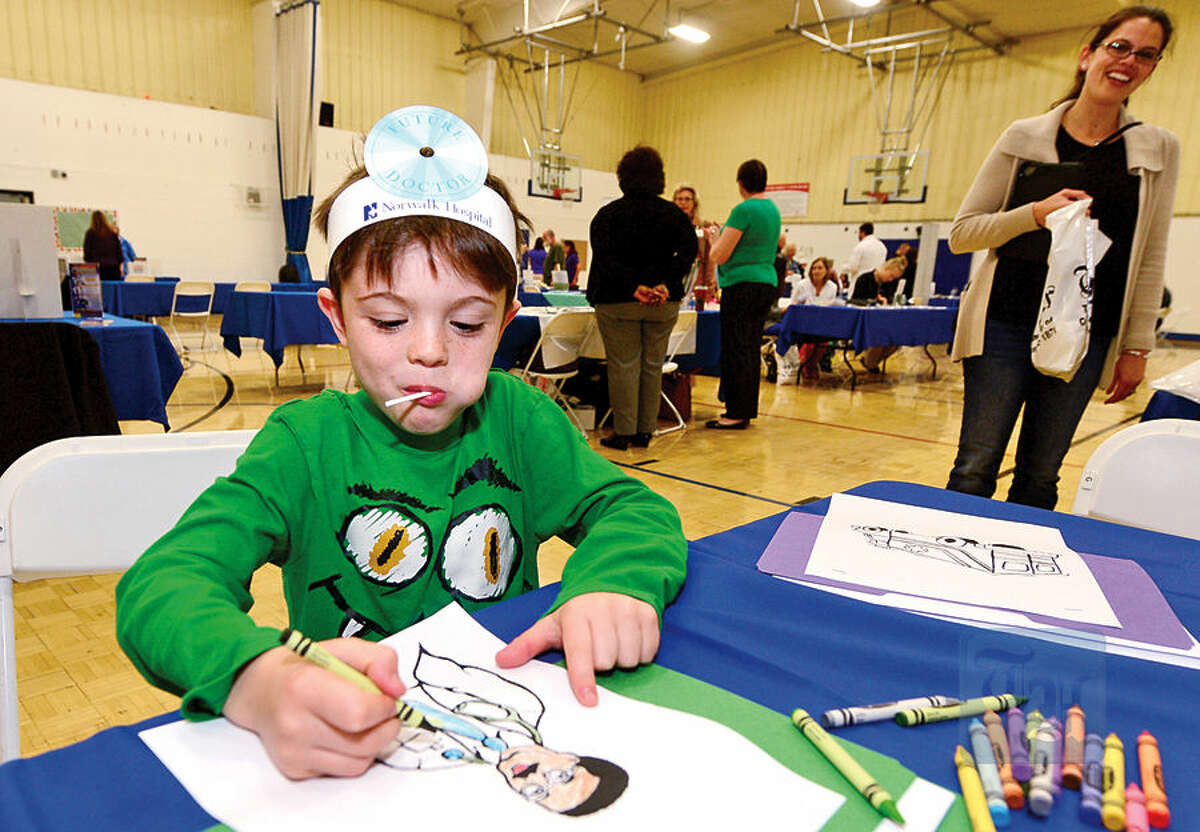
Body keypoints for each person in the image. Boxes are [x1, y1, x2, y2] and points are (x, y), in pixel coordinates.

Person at [115, 140, 688, 781]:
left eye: (468, 325)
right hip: (355, 769)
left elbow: (632, 508)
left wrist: (614, 583)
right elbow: (164, 583)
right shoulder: (305, 444)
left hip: (502, 735)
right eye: (388, 320)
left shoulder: (522, 420)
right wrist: (255, 674)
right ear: (335, 316)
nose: (428, 351)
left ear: (505, 323)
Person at [946, 5, 1178, 509]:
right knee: (974, 470)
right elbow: (963, 234)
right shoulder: (1023, 136)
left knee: (1039, 478)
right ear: (1087, 55)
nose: (1128, 62)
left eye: (1146, 54)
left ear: (1153, 68)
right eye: (1118, 47)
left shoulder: (1158, 150)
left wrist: (1136, 346)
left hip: (1086, 335)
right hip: (1002, 326)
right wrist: (1033, 213)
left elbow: (1152, 253)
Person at [587, 145, 697, 450]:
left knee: (624, 365)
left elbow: (606, 259)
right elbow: (688, 252)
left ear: (623, 177)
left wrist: (633, 286)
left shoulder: (607, 216)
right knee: (652, 365)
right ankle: (646, 430)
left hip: (619, 301)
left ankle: (623, 432)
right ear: (659, 178)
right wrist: (665, 283)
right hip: (663, 304)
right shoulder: (675, 216)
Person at [705, 159, 782, 430]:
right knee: (749, 348)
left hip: (742, 285)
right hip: (765, 284)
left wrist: (713, 237)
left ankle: (735, 412)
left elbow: (719, 254)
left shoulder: (744, 209)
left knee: (736, 348)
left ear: (740, 182)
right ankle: (745, 408)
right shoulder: (772, 210)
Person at [779, 256, 837, 383]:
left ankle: (810, 365)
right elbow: (793, 305)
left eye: (820, 268)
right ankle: (805, 365)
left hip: (822, 322)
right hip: (802, 321)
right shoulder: (802, 285)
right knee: (811, 338)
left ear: (827, 271)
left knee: (824, 340)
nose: (816, 271)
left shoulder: (832, 287)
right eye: (814, 268)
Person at [672, 183, 716, 295]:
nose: (683, 203)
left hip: (697, 281)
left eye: (687, 199)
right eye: (680, 199)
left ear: (694, 203)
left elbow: (710, 258)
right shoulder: (667, 226)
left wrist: (710, 283)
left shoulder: (704, 226)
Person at [840, 222, 887, 296]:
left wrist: (843, 269)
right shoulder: (882, 247)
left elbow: (852, 266)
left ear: (862, 232)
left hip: (859, 284)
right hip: (875, 285)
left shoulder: (861, 246)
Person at [82, 210, 123, 281]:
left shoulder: (90, 233)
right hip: (113, 269)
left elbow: (87, 254)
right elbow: (119, 253)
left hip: (97, 269)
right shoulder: (112, 234)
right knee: (113, 291)